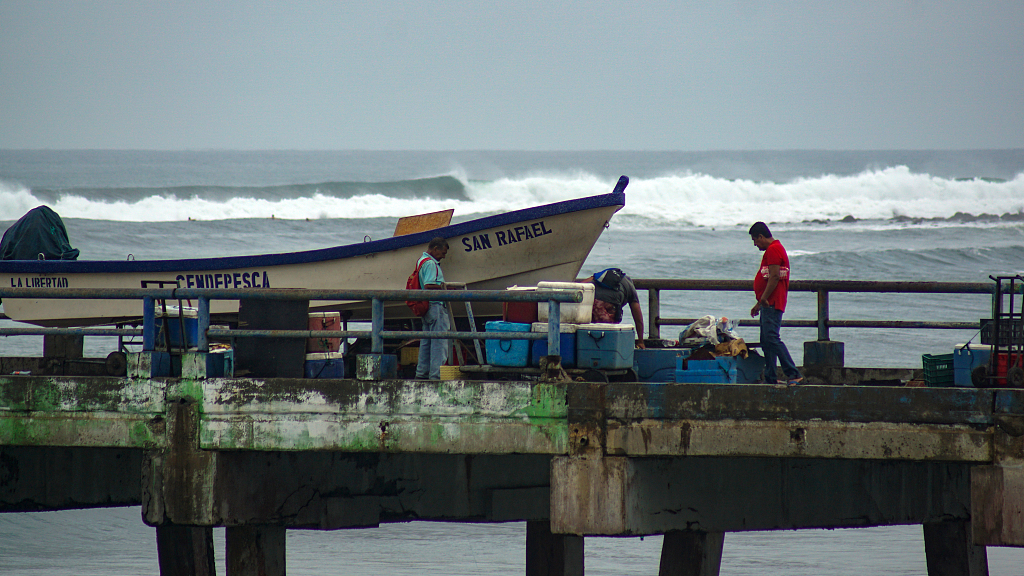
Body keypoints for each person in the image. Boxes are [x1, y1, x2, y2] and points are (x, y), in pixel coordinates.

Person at [749, 222, 802, 385]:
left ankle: (792, 373)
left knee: (772, 338)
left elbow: (774, 277)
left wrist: (764, 299)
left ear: (761, 236)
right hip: (767, 303)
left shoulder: (773, 249)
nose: (755, 244)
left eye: (755, 240)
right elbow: (768, 278)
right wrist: (759, 303)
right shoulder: (774, 249)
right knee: (766, 341)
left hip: (771, 302)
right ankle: (771, 377)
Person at [583, 267, 646, 349]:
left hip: (589, 299)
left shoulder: (602, 276)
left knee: (590, 332)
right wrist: (640, 341)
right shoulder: (630, 287)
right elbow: (638, 319)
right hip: (607, 305)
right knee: (607, 334)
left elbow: (583, 283)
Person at [415, 237, 450, 379]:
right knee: (439, 343)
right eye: (443, 253)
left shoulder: (421, 261)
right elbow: (429, 284)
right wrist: (446, 288)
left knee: (426, 342)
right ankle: (436, 375)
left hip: (427, 306)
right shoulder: (430, 264)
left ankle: (421, 373)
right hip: (435, 305)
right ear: (435, 249)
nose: (443, 256)